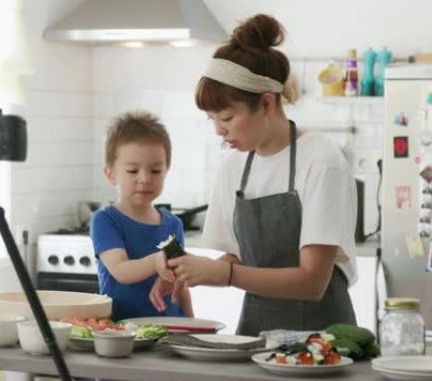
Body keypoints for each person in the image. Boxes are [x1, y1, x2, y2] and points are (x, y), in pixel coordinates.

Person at [150, 14, 358, 336]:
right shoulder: (233, 165)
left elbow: (312, 282)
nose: (219, 131)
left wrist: (225, 275)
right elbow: (235, 258)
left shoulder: (320, 161)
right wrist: (186, 270)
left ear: (265, 104)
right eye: (212, 119)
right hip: (255, 337)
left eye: (227, 117)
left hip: (323, 343)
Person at [90, 110, 193, 322]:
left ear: (166, 170)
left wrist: (195, 326)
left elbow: (180, 285)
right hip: (125, 331)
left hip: (173, 329)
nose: (145, 179)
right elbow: (121, 271)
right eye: (132, 171)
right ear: (110, 174)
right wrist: (157, 260)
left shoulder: (173, 224)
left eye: (155, 171)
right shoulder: (106, 220)